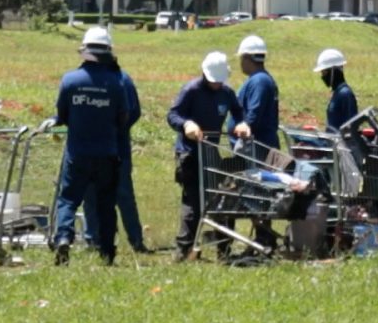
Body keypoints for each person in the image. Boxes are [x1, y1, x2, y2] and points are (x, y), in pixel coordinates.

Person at [49, 27, 129, 266]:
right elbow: (123, 117)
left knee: (69, 199)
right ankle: (107, 250)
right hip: (106, 153)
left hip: (78, 153)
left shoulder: (70, 80)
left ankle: (63, 237)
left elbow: (61, 115)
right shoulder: (117, 82)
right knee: (106, 202)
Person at [167, 51, 251, 261]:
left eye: (219, 82)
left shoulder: (227, 92)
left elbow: (238, 111)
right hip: (190, 153)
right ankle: (185, 250)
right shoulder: (191, 90)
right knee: (193, 202)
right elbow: (173, 115)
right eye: (213, 81)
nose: (216, 85)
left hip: (211, 152)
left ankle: (224, 249)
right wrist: (186, 124)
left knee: (221, 199)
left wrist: (241, 123)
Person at [81, 31, 150, 254]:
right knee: (113, 195)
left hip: (101, 148)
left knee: (110, 194)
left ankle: (103, 239)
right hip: (113, 147)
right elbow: (134, 112)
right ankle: (122, 240)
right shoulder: (121, 78)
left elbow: (133, 112)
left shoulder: (116, 79)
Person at [231, 34, 281, 249]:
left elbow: (254, 113)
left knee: (257, 193)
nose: (240, 62)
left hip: (257, 148)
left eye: (242, 58)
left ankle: (263, 238)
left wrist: (245, 127)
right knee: (256, 192)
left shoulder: (259, 81)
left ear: (248, 58)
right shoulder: (259, 79)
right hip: (258, 146)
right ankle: (262, 237)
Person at [314, 48, 358, 132]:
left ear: (333, 71)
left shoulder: (345, 94)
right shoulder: (337, 93)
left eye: (324, 72)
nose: (322, 76)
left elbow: (351, 126)